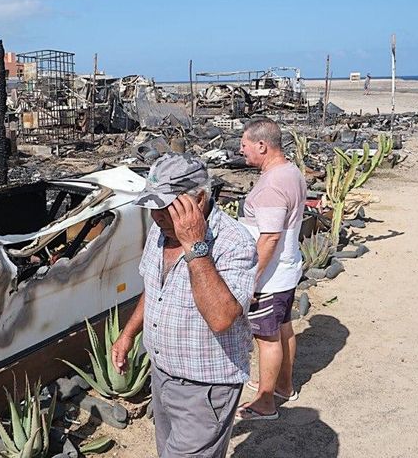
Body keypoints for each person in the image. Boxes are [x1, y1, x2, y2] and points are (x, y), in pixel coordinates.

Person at [111, 153, 257, 457]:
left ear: (199, 200)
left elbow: (221, 318)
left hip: (205, 388)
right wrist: (128, 334)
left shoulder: (234, 243)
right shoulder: (161, 231)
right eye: (152, 207)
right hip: (162, 374)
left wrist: (194, 246)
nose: (157, 216)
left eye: (165, 207)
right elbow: (155, 287)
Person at [236, 118, 307, 421]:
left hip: (269, 276)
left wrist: (250, 280)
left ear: (262, 145)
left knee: (266, 338)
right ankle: (283, 385)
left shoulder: (272, 185)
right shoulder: (291, 172)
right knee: (283, 327)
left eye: (244, 145)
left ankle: (265, 402)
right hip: (287, 269)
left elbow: (270, 236)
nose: (241, 151)